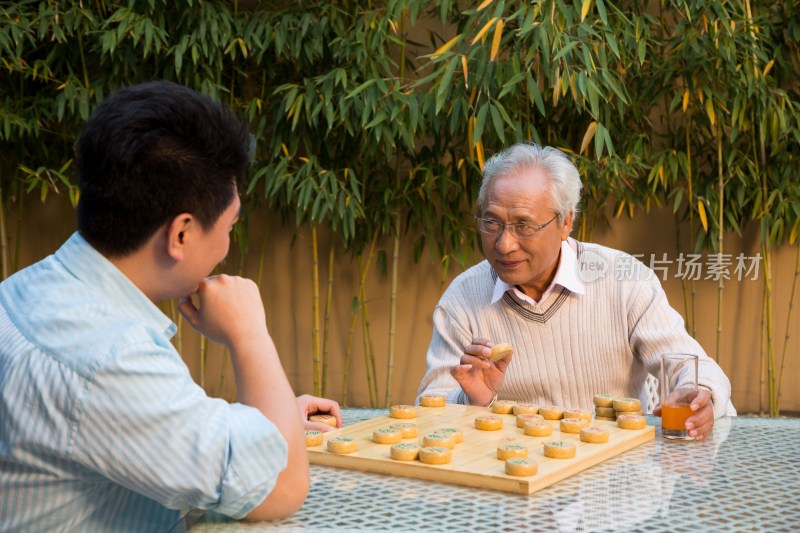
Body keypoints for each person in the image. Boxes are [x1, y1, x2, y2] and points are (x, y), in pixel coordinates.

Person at [0, 81, 340, 532]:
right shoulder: (109, 358)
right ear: (181, 234)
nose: (227, 244)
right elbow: (280, 488)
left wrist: (270, 423)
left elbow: (146, 426)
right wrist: (249, 333)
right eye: (230, 225)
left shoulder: (28, 289)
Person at [417, 142, 734, 440]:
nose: (504, 244)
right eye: (492, 223)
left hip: (612, 481)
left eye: (523, 226)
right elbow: (428, 411)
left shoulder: (625, 281)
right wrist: (472, 398)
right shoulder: (462, 299)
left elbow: (694, 366)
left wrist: (699, 394)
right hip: (513, 481)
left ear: (566, 221)